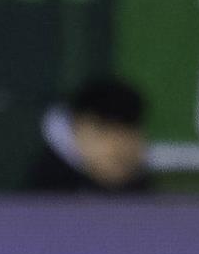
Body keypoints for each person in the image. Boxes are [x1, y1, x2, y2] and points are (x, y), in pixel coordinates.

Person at [27, 77, 156, 194]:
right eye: (104, 130)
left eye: (131, 131)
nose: (121, 145)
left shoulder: (140, 187)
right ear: (78, 127)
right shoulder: (46, 192)